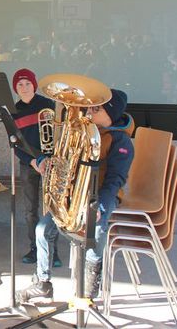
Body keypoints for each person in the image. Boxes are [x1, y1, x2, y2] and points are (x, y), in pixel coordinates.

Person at [16, 88, 135, 303]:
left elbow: (115, 180)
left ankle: (90, 284)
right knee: (42, 229)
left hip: (102, 196)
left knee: (96, 229)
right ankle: (43, 283)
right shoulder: (83, 132)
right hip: (74, 197)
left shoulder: (121, 141)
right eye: (90, 107)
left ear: (110, 114)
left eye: (96, 109)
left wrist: (100, 205)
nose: (88, 112)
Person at [10, 69, 61, 268]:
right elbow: (15, 144)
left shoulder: (47, 105)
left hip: (50, 163)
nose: (24, 88)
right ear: (15, 88)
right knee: (30, 210)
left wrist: (48, 159)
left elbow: (58, 135)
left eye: (27, 83)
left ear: (34, 85)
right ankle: (35, 248)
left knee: (51, 209)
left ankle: (52, 250)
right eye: (20, 84)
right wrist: (32, 161)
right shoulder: (14, 111)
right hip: (29, 164)